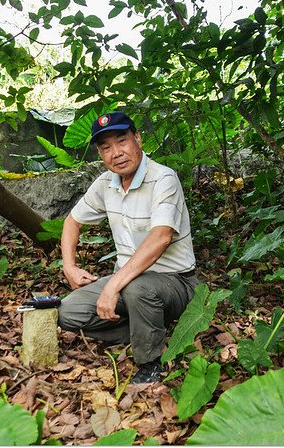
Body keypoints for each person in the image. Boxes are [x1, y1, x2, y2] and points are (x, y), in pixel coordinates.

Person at [58, 111, 200, 384]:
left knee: (138, 288)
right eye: (106, 148)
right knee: (67, 312)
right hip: (129, 281)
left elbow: (161, 237)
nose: (116, 153)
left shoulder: (163, 179)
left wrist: (112, 287)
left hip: (176, 283)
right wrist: (70, 267)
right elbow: (71, 222)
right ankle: (143, 328)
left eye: (122, 141)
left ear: (138, 139)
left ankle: (149, 363)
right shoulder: (105, 184)